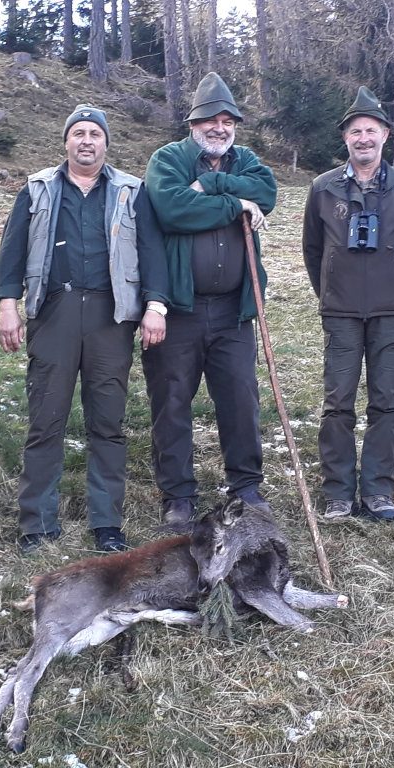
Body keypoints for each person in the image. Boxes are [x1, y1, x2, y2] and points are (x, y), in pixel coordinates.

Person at [0, 105, 169, 553]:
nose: (87, 140)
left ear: (106, 143)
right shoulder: (37, 188)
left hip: (111, 317)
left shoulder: (131, 191)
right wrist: (8, 305)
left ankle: (106, 523)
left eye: (95, 133)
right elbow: (12, 251)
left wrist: (155, 305)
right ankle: (37, 524)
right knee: (46, 419)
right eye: (79, 133)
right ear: (66, 142)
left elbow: (152, 251)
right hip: (55, 311)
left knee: (107, 421)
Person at [143, 72, 277, 524]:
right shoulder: (168, 159)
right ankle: (178, 494)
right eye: (210, 121)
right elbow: (173, 209)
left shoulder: (246, 159)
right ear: (193, 124)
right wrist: (237, 204)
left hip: (233, 312)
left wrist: (212, 186)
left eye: (227, 122)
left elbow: (267, 192)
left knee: (240, 399)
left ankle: (246, 486)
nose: (220, 129)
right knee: (172, 401)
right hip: (178, 310)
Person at [302, 86, 394, 524]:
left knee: (386, 402)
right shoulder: (323, 189)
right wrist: (330, 292)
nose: (363, 138)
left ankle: (378, 490)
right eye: (355, 131)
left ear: (385, 135)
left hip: (390, 312)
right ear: (345, 138)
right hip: (339, 312)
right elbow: (312, 250)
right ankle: (338, 493)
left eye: (371, 130)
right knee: (338, 402)